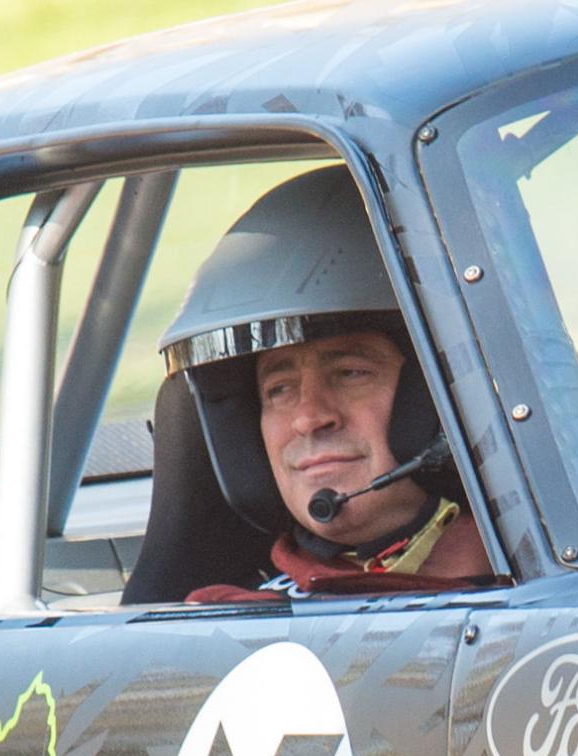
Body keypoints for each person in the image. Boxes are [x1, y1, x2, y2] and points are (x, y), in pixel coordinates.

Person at [151, 167, 491, 604]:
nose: (310, 418)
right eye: (280, 389)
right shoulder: (218, 628)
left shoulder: (531, 594)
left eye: (350, 374)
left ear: (433, 399)